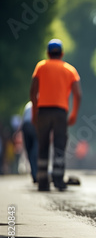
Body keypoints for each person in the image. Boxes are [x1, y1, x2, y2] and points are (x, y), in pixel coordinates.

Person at [30, 39, 82, 191]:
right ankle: (58, 180)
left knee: (43, 145)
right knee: (59, 146)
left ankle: (42, 181)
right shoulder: (70, 69)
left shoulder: (41, 66)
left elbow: (33, 91)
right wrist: (74, 113)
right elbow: (78, 94)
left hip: (43, 111)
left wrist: (34, 112)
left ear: (48, 53)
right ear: (62, 54)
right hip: (60, 112)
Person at [21, 101, 38, 183]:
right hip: (34, 125)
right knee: (35, 150)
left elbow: (23, 120)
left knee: (29, 150)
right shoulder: (38, 105)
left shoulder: (27, 105)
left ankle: (34, 172)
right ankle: (35, 173)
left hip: (26, 126)